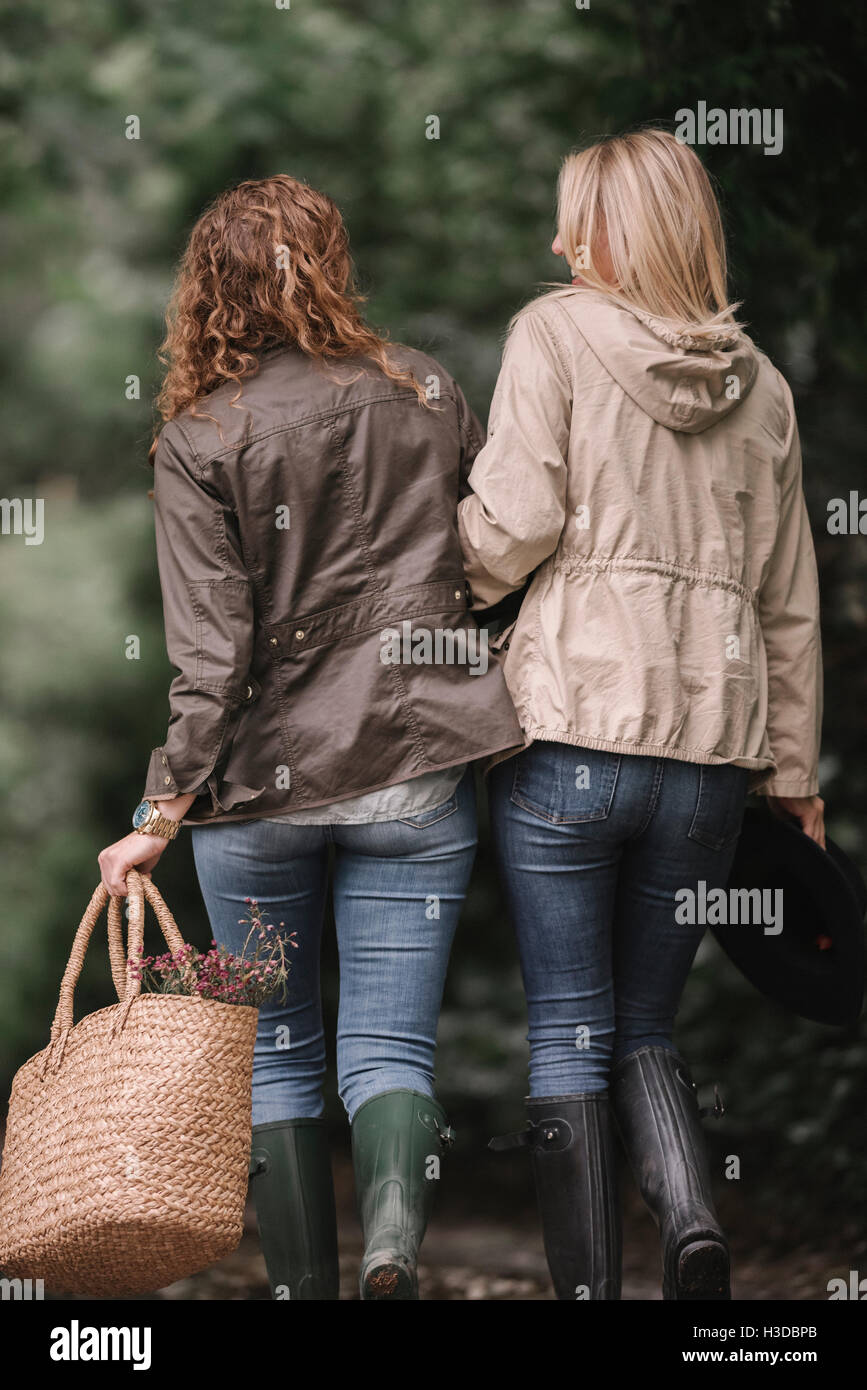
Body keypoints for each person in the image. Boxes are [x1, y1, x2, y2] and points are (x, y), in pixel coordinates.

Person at [97, 174, 522, 1301]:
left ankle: (304, 1295)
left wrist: (155, 817)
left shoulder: (199, 438)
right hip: (416, 772)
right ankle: (391, 1248)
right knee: (392, 1052)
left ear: (208, 292)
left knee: (278, 1059)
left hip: (257, 799)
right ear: (332, 264)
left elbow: (210, 657)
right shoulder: (428, 389)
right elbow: (495, 564)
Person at [458, 129, 824, 1301]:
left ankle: (588, 1298)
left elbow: (511, 523)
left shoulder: (553, 335)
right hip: (713, 758)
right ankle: (690, 1216)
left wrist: (435, 583)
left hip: (570, 730)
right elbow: (788, 601)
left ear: (614, 233)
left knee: (569, 1023)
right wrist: (797, 777)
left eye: (577, 220)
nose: (557, 243)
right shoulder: (761, 385)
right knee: (646, 1025)